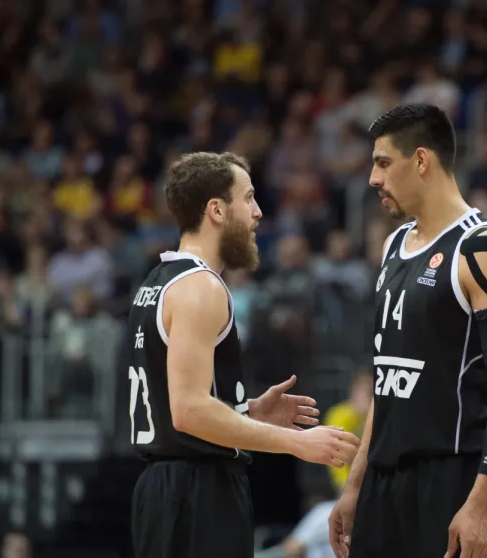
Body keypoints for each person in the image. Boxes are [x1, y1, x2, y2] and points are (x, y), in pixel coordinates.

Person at [127, 152, 360, 558]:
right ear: (216, 210)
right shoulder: (201, 288)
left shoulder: (158, 281)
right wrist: (296, 443)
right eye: (248, 198)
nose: (258, 213)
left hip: (167, 489)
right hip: (197, 492)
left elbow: (174, 410)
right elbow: (189, 411)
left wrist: (245, 410)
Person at [328, 104, 487, 558]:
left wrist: (480, 504)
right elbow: (387, 381)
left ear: (421, 160)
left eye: (383, 162)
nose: (372, 179)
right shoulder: (394, 245)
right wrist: (356, 485)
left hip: (453, 480)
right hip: (385, 483)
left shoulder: (483, 246)